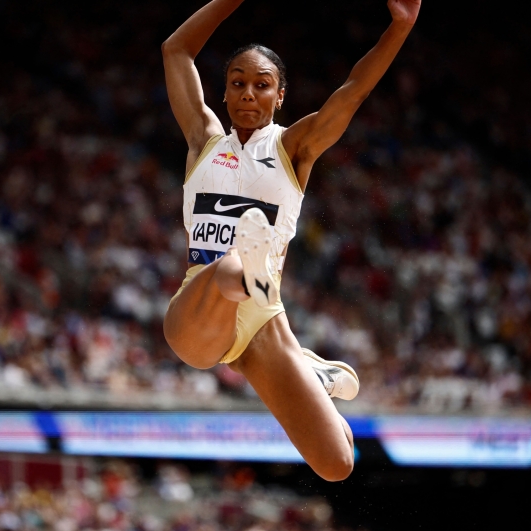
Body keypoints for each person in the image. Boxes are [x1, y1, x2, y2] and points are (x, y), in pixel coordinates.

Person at [162, 0, 421, 481]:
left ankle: (309, 370)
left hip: (262, 323)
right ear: (223, 93)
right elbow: (176, 50)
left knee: (337, 464)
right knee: (229, 269)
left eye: (262, 85)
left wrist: (399, 27)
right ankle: (252, 272)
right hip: (202, 305)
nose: (247, 93)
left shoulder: (293, 146)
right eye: (237, 82)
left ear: (280, 96)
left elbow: (353, 92)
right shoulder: (204, 140)